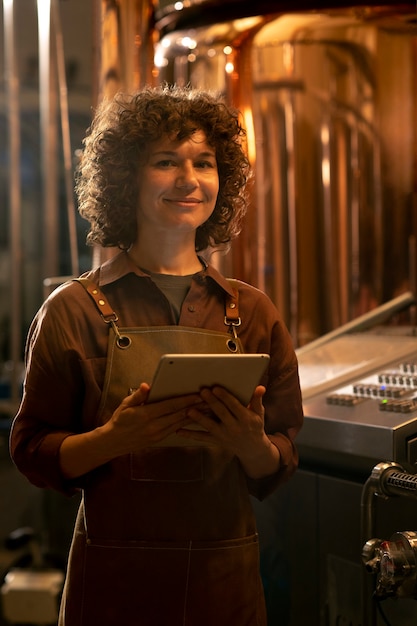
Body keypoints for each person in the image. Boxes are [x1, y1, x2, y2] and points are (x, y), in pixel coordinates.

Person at [10, 85, 303, 626]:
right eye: (166, 162)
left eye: (205, 163)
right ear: (127, 179)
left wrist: (250, 444)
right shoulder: (73, 311)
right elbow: (31, 450)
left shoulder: (255, 313)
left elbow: (278, 461)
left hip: (226, 582)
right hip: (115, 585)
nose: (189, 179)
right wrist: (114, 441)